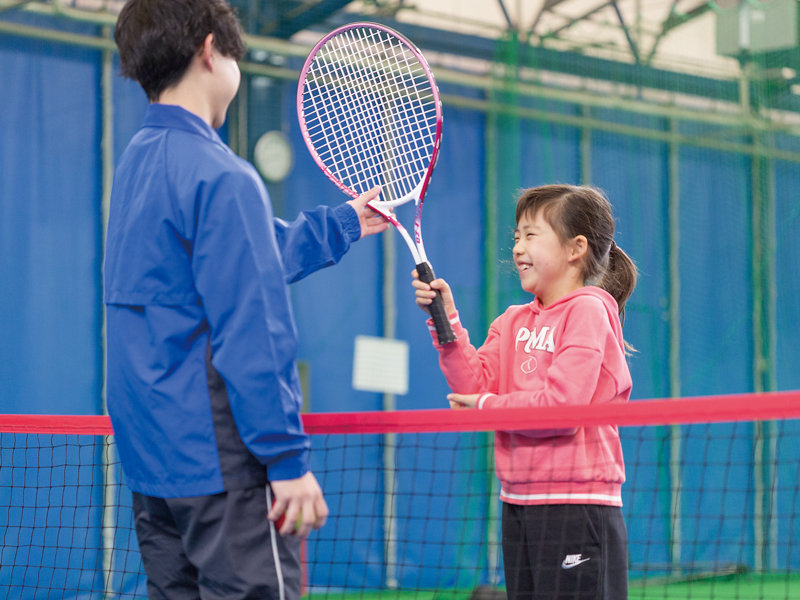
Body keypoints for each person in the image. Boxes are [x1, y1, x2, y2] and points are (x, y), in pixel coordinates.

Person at [104, 0, 388, 598]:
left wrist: (340, 224)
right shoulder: (224, 178)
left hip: (153, 469)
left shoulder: (136, 166)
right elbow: (251, 326)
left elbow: (227, 265)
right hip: (224, 470)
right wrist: (286, 460)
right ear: (211, 50)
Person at [412, 184, 637, 599]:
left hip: (577, 503)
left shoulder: (588, 311)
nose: (518, 246)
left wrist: (486, 406)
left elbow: (559, 409)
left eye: (532, 235)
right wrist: (445, 324)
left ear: (576, 248)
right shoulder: (513, 320)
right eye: (516, 236)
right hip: (519, 500)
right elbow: (474, 386)